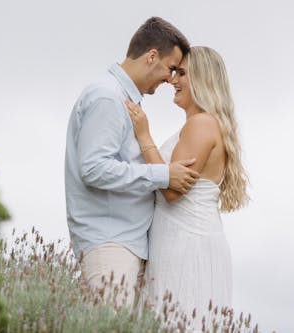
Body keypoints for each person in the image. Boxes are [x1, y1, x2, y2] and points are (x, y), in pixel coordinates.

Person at [64, 17, 199, 307]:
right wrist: (163, 175)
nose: (170, 78)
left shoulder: (123, 99)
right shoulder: (107, 97)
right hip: (111, 246)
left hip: (126, 244)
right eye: (170, 68)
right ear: (152, 56)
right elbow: (94, 169)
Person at [125, 46, 249, 318]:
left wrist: (144, 136)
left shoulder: (202, 124)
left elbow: (171, 190)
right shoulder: (201, 124)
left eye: (182, 74)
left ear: (202, 80)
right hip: (182, 240)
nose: (173, 80)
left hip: (186, 245)